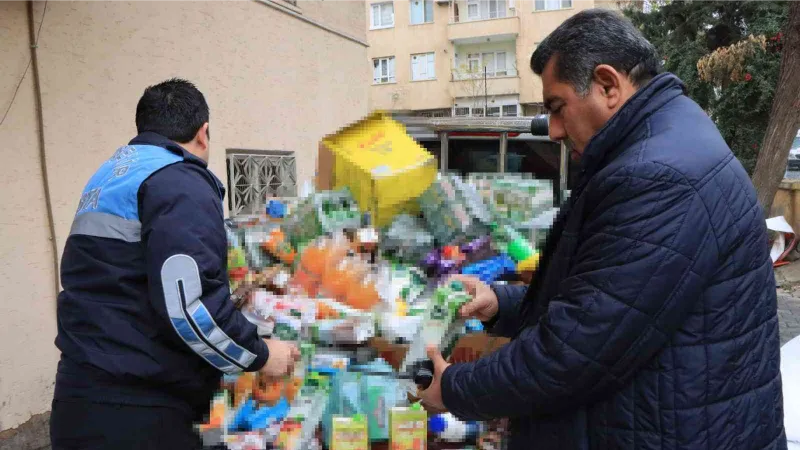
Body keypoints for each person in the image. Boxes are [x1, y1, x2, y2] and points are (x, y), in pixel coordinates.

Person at [419, 9, 786, 449]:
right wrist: (501, 301)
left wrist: (456, 389)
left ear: (608, 85)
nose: (553, 130)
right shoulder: (660, 143)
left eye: (557, 108)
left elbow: (574, 350)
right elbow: (605, 295)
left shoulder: (657, 176)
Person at [50, 79, 299, 449]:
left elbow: (133, 282)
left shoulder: (110, 176)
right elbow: (190, 306)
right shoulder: (179, 179)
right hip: (138, 412)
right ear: (204, 133)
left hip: (80, 395)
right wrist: (262, 354)